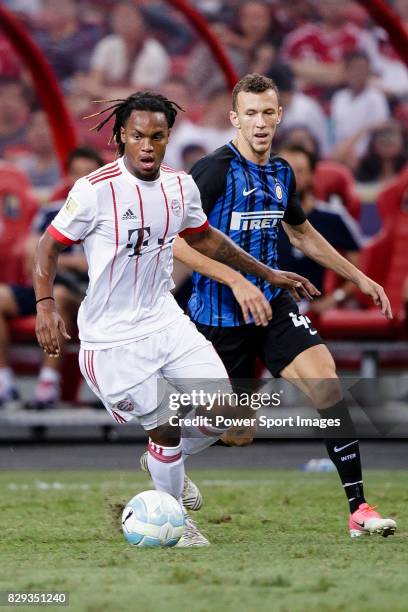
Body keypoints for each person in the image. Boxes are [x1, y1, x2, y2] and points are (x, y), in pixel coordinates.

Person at [32, 91, 316, 547]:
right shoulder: (94, 190)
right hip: (112, 339)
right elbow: (48, 246)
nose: (147, 145)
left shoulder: (179, 186)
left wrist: (267, 273)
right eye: (138, 135)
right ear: (122, 135)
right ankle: (177, 522)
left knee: (229, 414)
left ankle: (166, 461)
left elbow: (205, 239)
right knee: (164, 421)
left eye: (158, 136)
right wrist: (45, 306)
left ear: (169, 137)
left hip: (166, 320)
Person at [173, 73, 396, 538]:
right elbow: (176, 241)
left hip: (271, 305)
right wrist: (235, 280)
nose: (260, 122)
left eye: (268, 112)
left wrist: (359, 276)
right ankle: (167, 453)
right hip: (217, 318)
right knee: (234, 431)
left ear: (279, 116)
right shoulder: (213, 171)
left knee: (328, 386)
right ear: (234, 118)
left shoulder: (282, 171)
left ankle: (358, 509)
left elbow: (300, 231)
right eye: (250, 113)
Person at [0, 147, 104, 410]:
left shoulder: (110, 214)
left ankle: (48, 383)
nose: (82, 179)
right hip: (45, 286)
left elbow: (99, 265)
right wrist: (70, 261)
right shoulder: (52, 212)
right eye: (76, 173)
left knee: (57, 296)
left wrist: (58, 259)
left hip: (89, 296)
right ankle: (4, 384)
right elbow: (30, 254)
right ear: (67, 176)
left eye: (89, 173)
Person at [277, 144, 363, 315]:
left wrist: (335, 298)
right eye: (285, 170)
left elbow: (360, 270)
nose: (291, 177)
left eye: (299, 171)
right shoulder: (261, 216)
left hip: (313, 308)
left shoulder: (333, 217)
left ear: (311, 175)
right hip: (269, 304)